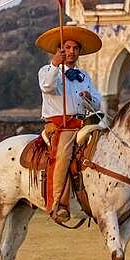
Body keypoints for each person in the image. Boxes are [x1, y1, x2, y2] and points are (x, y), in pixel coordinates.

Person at [35, 25, 103, 223]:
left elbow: (98, 101)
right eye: (66, 48)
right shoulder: (47, 71)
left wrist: (89, 97)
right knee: (63, 155)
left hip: (82, 124)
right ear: (59, 50)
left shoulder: (84, 76)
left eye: (75, 48)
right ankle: (58, 204)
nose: (71, 52)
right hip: (60, 126)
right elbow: (47, 87)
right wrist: (55, 65)